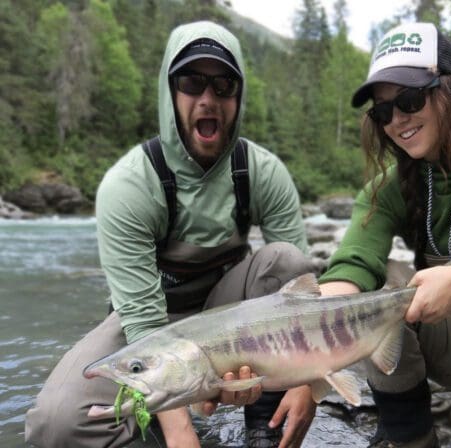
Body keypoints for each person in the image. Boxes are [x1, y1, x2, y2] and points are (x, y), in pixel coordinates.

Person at [25, 20, 317, 448]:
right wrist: (181, 431)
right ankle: (153, 430)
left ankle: (264, 426)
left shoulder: (263, 172)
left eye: (223, 85)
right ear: (170, 91)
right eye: (191, 82)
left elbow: (302, 299)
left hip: (229, 320)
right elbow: (144, 322)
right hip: (149, 322)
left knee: (285, 259)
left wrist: (307, 382)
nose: (207, 98)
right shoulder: (129, 185)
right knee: (56, 424)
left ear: (238, 97)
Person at [318, 22, 451, 448]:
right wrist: (308, 355)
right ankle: (411, 440)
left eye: (410, 100)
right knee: (374, 299)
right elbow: (352, 266)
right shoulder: (389, 188)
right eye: (383, 112)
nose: (397, 120)